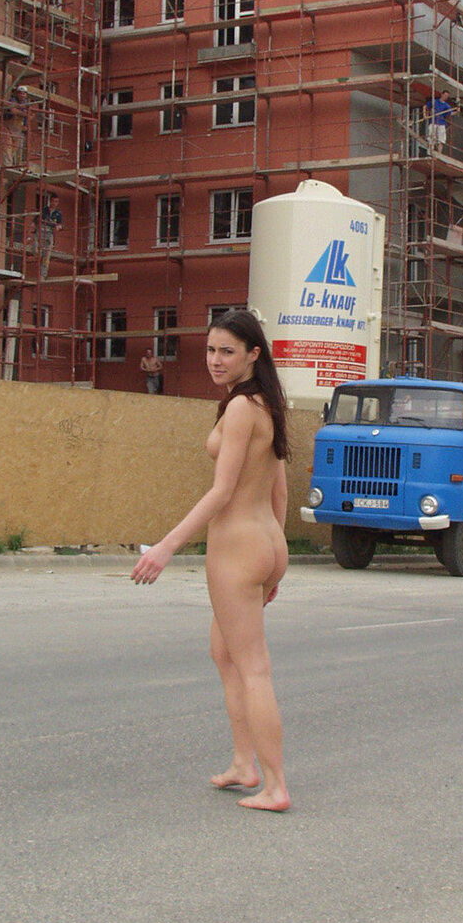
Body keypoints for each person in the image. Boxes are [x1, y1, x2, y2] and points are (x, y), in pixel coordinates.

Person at [131, 309, 291, 812]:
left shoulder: (241, 408)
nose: (215, 360)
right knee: (225, 654)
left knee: (254, 669)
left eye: (227, 351)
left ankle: (276, 786)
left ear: (253, 354)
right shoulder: (267, 403)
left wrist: (166, 547)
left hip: (238, 549)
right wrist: (276, 561)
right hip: (264, 544)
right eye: (210, 350)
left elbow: (222, 492)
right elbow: (279, 490)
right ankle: (244, 764)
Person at [38, 191, 63, 278]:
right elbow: (36, 220)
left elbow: (60, 225)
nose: (54, 203)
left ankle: (43, 275)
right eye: (53, 201)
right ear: (50, 201)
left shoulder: (58, 213)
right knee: (38, 252)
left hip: (49, 234)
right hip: (41, 232)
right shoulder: (44, 210)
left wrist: (58, 227)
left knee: (47, 255)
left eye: (56, 202)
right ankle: (40, 272)